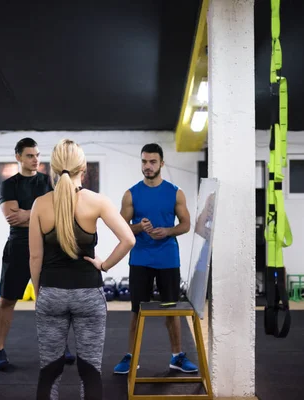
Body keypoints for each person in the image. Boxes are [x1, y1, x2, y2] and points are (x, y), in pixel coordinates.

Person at [29, 138, 135, 400]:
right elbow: (129, 239)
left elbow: (34, 257)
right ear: (83, 168)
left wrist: (40, 293)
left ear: (52, 169)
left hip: (51, 292)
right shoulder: (97, 201)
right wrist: (105, 265)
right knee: (90, 371)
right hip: (88, 293)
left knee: (49, 370)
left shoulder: (40, 204)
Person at [113, 143, 199, 375]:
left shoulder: (175, 192)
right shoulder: (131, 194)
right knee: (137, 311)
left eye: (152, 162)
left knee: (171, 310)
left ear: (162, 163)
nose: (148, 166)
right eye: (144, 161)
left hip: (167, 259)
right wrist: (139, 227)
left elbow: (186, 224)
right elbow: (121, 227)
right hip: (140, 258)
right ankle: (131, 357)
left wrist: (168, 231)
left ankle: (177, 356)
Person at [0, 137, 75, 371]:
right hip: (18, 248)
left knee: (53, 301)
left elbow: (58, 215)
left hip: (48, 248)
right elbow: (12, 218)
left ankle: (61, 346)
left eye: (38, 155)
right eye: (30, 155)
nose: (35, 159)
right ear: (18, 156)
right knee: (7, 300)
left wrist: (28, 214)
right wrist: (39, 213)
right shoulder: (9, 185)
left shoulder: (49, 181)